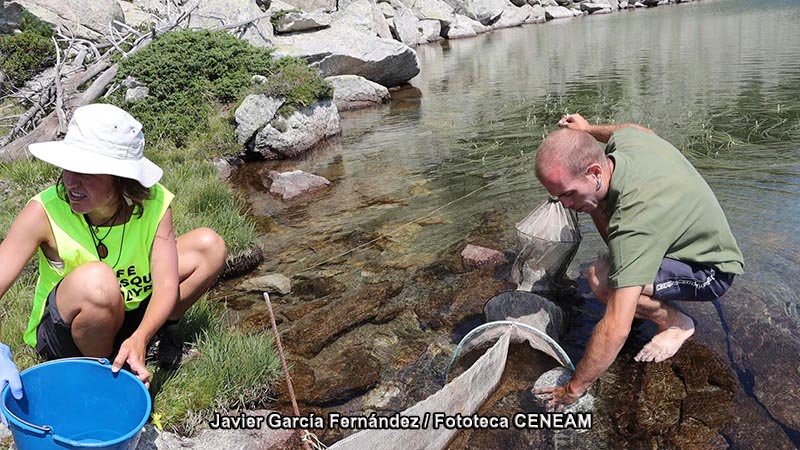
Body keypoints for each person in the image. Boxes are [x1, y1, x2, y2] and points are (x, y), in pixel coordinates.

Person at [0, 104, 227, 400]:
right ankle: (104, 373)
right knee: (98, 281)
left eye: (88, 172)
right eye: (69, 167)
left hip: (126, 311)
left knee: (209, 246)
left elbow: (167, 285)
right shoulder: (43, 212)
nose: (71, 181)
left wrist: (142, 336)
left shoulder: (154, 205)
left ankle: (148, 341)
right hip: (68, 331)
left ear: (122, 179)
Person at [533, 113, 744, 410]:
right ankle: (639, 278)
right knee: (594, 207)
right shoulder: (628, 144)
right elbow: (634, 128)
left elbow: (615, 328)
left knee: (601, 280)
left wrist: (573, 388)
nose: (565, 205)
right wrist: (587, 129)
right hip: (671, 235)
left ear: (594, 171)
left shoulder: (634, 221)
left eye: (567, 193)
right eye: (558, 196)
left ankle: (677, 323)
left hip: (709, 270)